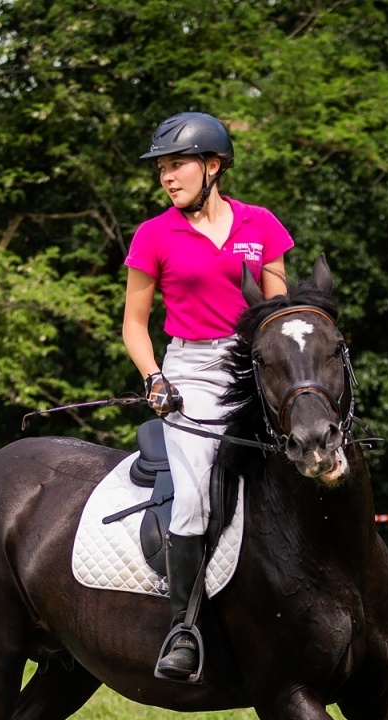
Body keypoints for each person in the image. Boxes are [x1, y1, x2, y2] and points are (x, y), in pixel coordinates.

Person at [122, 111, 293, 681]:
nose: (167, 178)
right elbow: (134, 324)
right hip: (190, 368)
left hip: (255, 365)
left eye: (177, 165)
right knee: (195, 493)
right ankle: (184, 628)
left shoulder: (260, 225)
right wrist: (155, 378)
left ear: (213, 166)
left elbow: (280, 311)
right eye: (162, 169)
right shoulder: (153, 234)